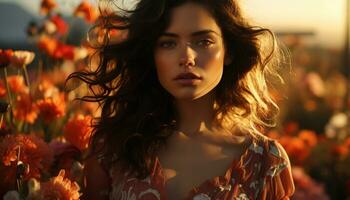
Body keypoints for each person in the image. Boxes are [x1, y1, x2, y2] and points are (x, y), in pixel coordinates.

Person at [70, 0, 295, 199]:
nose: (186, 57)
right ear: (151, 54)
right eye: (168, 43)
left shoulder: (265, 162)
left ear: (229, 51)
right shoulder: (112, 149)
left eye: (203, 41)